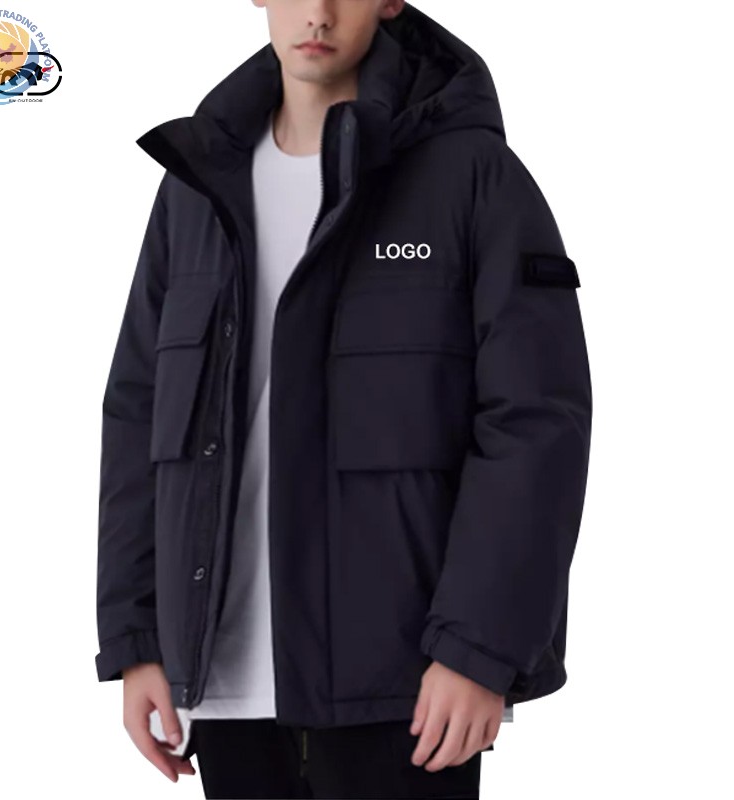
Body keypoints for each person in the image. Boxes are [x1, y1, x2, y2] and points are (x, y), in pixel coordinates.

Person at [94, 1, 593, 797]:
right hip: (223, 682)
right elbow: (138, 412)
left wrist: (480, 648)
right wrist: (137, 639)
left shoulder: (470, 175)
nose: (318, 14)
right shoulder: (198, 183)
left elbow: (536, 423)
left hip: (408, 684)